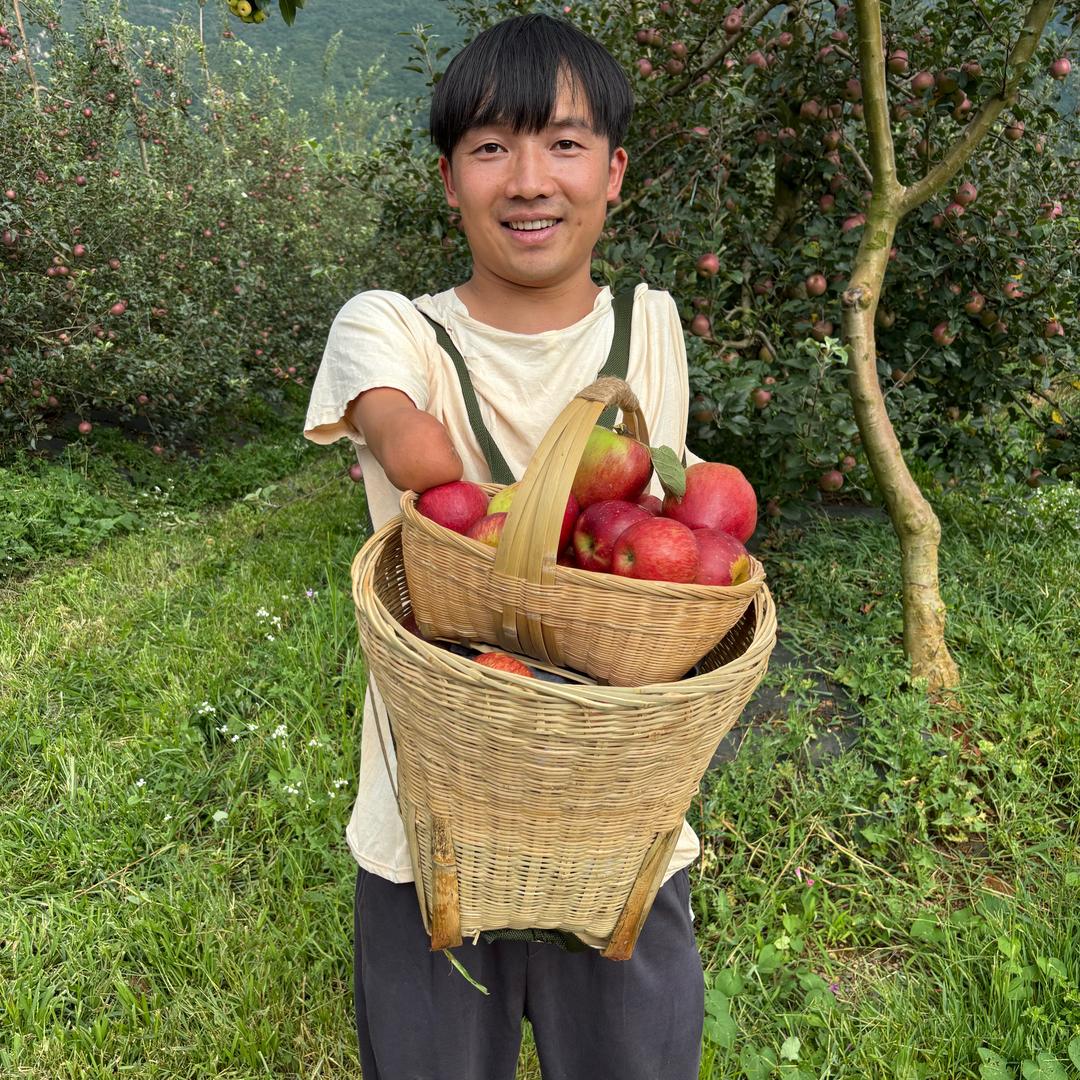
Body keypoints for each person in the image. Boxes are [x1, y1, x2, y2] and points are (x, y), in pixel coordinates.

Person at [303, 13, 705, 1079]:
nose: (530, 180)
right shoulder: (391, 327)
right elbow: (417, 451)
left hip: (617, 818)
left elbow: (667, 537)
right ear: (449, 179)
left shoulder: (650, 327)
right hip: (434, 823)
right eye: (491, 147)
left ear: (613, 173)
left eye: (565, 144)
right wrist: (416, 442)